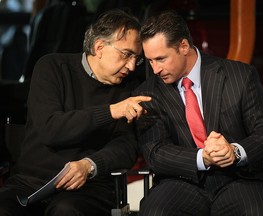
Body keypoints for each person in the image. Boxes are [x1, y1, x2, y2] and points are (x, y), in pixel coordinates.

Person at [134, 10, 263, 216]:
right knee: (156, 211)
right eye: (150, 61)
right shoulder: (147, 93)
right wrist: (202, 158)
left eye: (161, 59)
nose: (155, 69)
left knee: (255, 210)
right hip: (180, 182)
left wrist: (235, 151)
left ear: (184, 46)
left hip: (240, 180)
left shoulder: (240, 75)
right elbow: (156, 153)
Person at [0, 9, 151, 216]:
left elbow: (126, 146)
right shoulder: (52, 67)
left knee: (66, 210)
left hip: (89, 188)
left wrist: (90, 165)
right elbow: (50, 128)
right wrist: (111, 111)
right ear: (99, 47)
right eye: (126, 54)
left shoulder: (129, 88)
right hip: (30, 182)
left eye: (137, 58)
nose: (132, 66)